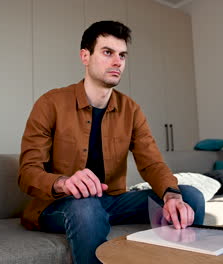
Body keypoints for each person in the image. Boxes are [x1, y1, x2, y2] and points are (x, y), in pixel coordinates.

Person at [18, 20, 205, 264]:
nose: (118, 62)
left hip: (114, 201)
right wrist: (65, 183)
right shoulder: (50, 103)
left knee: (190, 197)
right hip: (61, 204)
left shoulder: (131, 109)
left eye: (122, 55)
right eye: (108, 52)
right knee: (86, 207)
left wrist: (171, 196)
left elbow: (152, 164)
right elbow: (27, 173)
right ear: (85, 56)